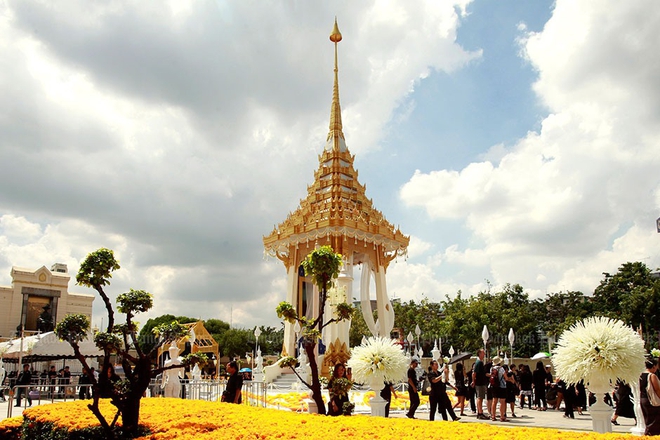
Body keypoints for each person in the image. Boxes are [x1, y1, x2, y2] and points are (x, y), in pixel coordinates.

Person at [639, 358, 660, 435]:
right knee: (655, 420)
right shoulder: (652, 376)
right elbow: (657, 389)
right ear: (653, 366)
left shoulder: (641, 375)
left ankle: (648, 434)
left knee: (648, 419)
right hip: (651, 400)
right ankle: (652, 435)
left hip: (643, 399)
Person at [471, 348, 489, 420]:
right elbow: (474, 373)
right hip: (480, 382)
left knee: (480, 397)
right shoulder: (479, 363)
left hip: (480, 382)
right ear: (479, 354)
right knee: (480, 397)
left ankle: (480, 412)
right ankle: (480, 413)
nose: (484, 354)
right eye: (483, 353)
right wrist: (473, 381)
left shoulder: (479, 362)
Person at [489, 357, 507, 422]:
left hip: (494, 386)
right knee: (502, 402)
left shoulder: (492, 368)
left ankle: (493, 416)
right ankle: (502, 416)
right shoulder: (501, 369)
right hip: (502, 386)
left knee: (494, 401)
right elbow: (506, 377)